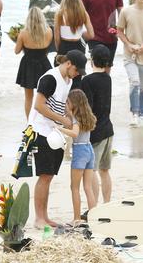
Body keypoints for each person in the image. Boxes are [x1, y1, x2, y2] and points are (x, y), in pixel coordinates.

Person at [28, 50, 87, 228]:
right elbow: (38, 105)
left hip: (56, 133)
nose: (77, 74)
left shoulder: (67, 80)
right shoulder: (50, 78)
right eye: (77, 70)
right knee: (44, 175)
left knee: (49, 176)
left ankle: (45, 217)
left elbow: (62, 105)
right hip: (41, 131)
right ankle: (39, 218)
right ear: (68, 63)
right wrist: (62, 120)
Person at [57, 89, 97, 224]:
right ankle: (93, 216)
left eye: (67, 102)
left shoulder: (75, 119)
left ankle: (76, 218)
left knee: (74, 187)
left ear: (74, 103)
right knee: (88, 187)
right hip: (89, 149)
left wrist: (59, 129)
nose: (66, 104)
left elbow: (74, 134)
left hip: (79, 150)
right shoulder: (88, 117)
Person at [81, 45, 114, 205]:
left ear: (91, 60)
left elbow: (88, 108)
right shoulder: (108, 78)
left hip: (95, 132)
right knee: (105, 170)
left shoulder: (87, 80)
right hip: (108, 129)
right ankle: (106, 203)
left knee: (91, 170)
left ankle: (93, 205)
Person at [80, 0, 124, 69]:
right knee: (97, 67)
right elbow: (80, 15)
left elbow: (122, 14)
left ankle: (105, 86)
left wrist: (122, 32)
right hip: (94, 36)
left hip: (111, 36)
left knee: (107, 69)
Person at [15, 7, 53, 119]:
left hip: (28, 65)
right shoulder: (49, 31)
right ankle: (44, 119)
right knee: (45, 96)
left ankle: (29, 123)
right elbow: (47, 50)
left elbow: (17, 51)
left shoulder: (23, 33)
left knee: (28, 97)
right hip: (43, 64)